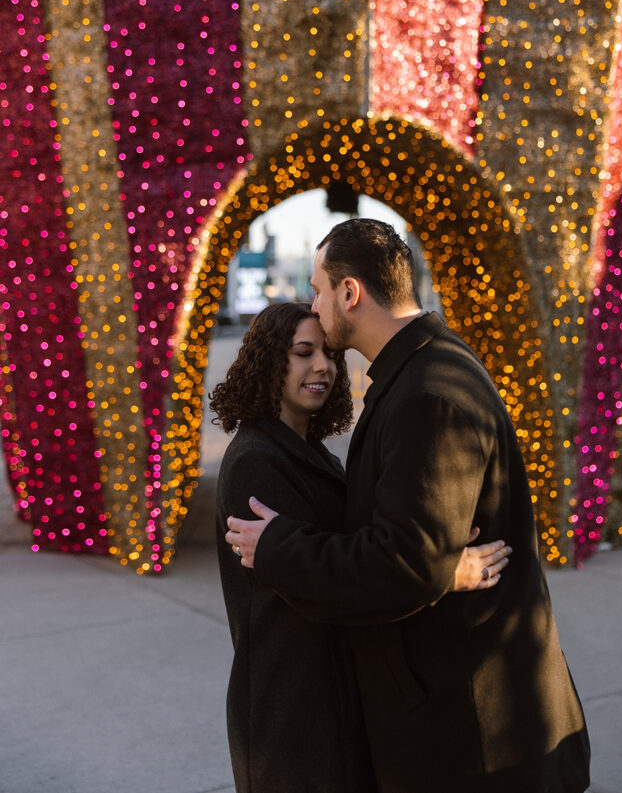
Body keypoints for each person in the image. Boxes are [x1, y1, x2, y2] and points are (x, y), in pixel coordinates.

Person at [226, 220, 591, 793]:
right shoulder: (422, 372)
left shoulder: (426, 393)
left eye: (319, 291)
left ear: (350, 293)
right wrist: (442, 565)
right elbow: (413, 555)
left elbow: (405, 562)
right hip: (440, 719)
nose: (315, 306)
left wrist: (280, 548)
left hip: (473, 736)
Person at [212, 300, 511, 793]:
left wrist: (421, 546)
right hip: (293, 711)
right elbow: (317, 583)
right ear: (268, 362)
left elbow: (346, 546)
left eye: (329, 354)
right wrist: (439, 571)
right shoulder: (255, 461)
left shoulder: (305, 450)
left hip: (333, 692)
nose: (323, 367)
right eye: (303, 353)